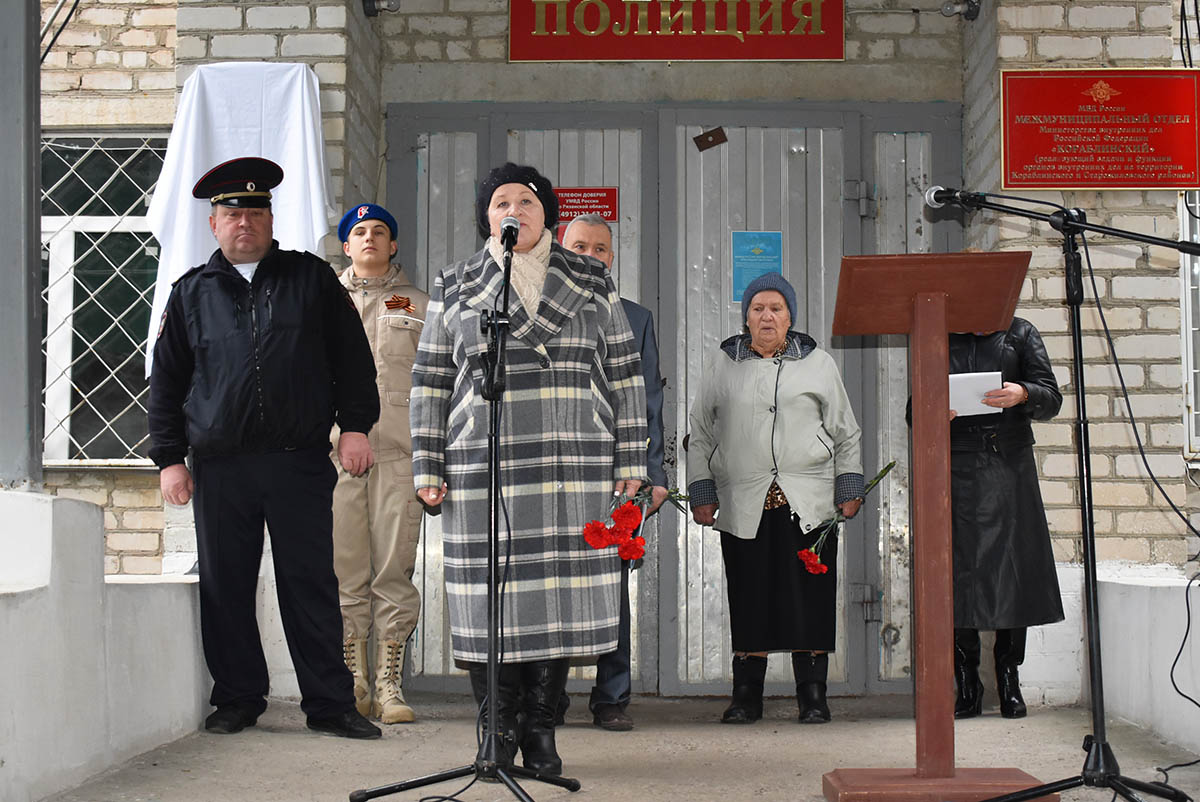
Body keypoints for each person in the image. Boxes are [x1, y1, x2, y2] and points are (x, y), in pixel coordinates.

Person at [410, 163, 647, 775]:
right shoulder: (456, 283)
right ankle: (496, 727)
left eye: (527, 200)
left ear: (548, 214)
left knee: (555, 600)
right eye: (501, 202)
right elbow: (432, 378)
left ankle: (541, 728)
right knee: (490, 598)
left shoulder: (590, 278)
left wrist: (631, 457)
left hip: (572, 458)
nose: (513, 209)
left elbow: (624, 372)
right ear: (486, 217)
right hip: (483, 460)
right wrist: (427, 462)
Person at [148, 157, 382, 740]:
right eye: (232, 214)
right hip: (220, 466)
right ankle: (237, 698)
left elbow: (353, 361)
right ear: (213, 224)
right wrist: (169, 458)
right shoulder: (191, 293)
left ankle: (330, 705)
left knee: (310, 583)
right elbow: (167, 383)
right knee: (226, 585)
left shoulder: (311, 280)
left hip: (297, 462)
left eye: (255, 212)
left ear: (271, 218)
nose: (244, 222)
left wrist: (356, 427)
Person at [687, 272, 863, 725]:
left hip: (808, 502)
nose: (767, 316)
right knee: (750, 595)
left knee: (810, 596)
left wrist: (848, 485)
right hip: (744, 500)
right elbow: (701, 430)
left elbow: (846, 431)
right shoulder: (724, 362)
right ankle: (746, 695)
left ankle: (813, 695)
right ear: (746, 318)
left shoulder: (818, 363)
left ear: (790, 317)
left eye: (776, 308)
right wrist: (702, 489)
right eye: (758, 308)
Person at [560, 213, 667, 732]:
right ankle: (547, 697)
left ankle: (611, 697)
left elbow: (648, 401)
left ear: (611, 257)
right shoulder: (538, 313)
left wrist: (653, 471)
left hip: (618, 475)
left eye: (599, 248)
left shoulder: (636, 318)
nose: (589, 256)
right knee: (553, 584)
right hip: (558, 471)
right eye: (579, 246)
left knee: (611, 586)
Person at [331, 203, 429, 725]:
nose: (369, 238)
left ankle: (390, 683)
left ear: (393, 245)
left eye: (379, 232)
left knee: (393, 572)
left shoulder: (420, 305)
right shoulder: (323, 302)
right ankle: (355, 679)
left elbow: (438, 382)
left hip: (398, 456)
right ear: (346, 246)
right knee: (346, 572)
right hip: (337, 458)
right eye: (359, 232)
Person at [942, 319, 1064, 719]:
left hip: (1009, 463)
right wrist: (934, 411)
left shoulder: (1021, 333)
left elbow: (1052, 398)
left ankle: (1009, 676)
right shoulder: (940, 333)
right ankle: (967, 682)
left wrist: (1022, 393)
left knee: (1015, 572)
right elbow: (914, 408)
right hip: (956, 467)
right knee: (959, 574)